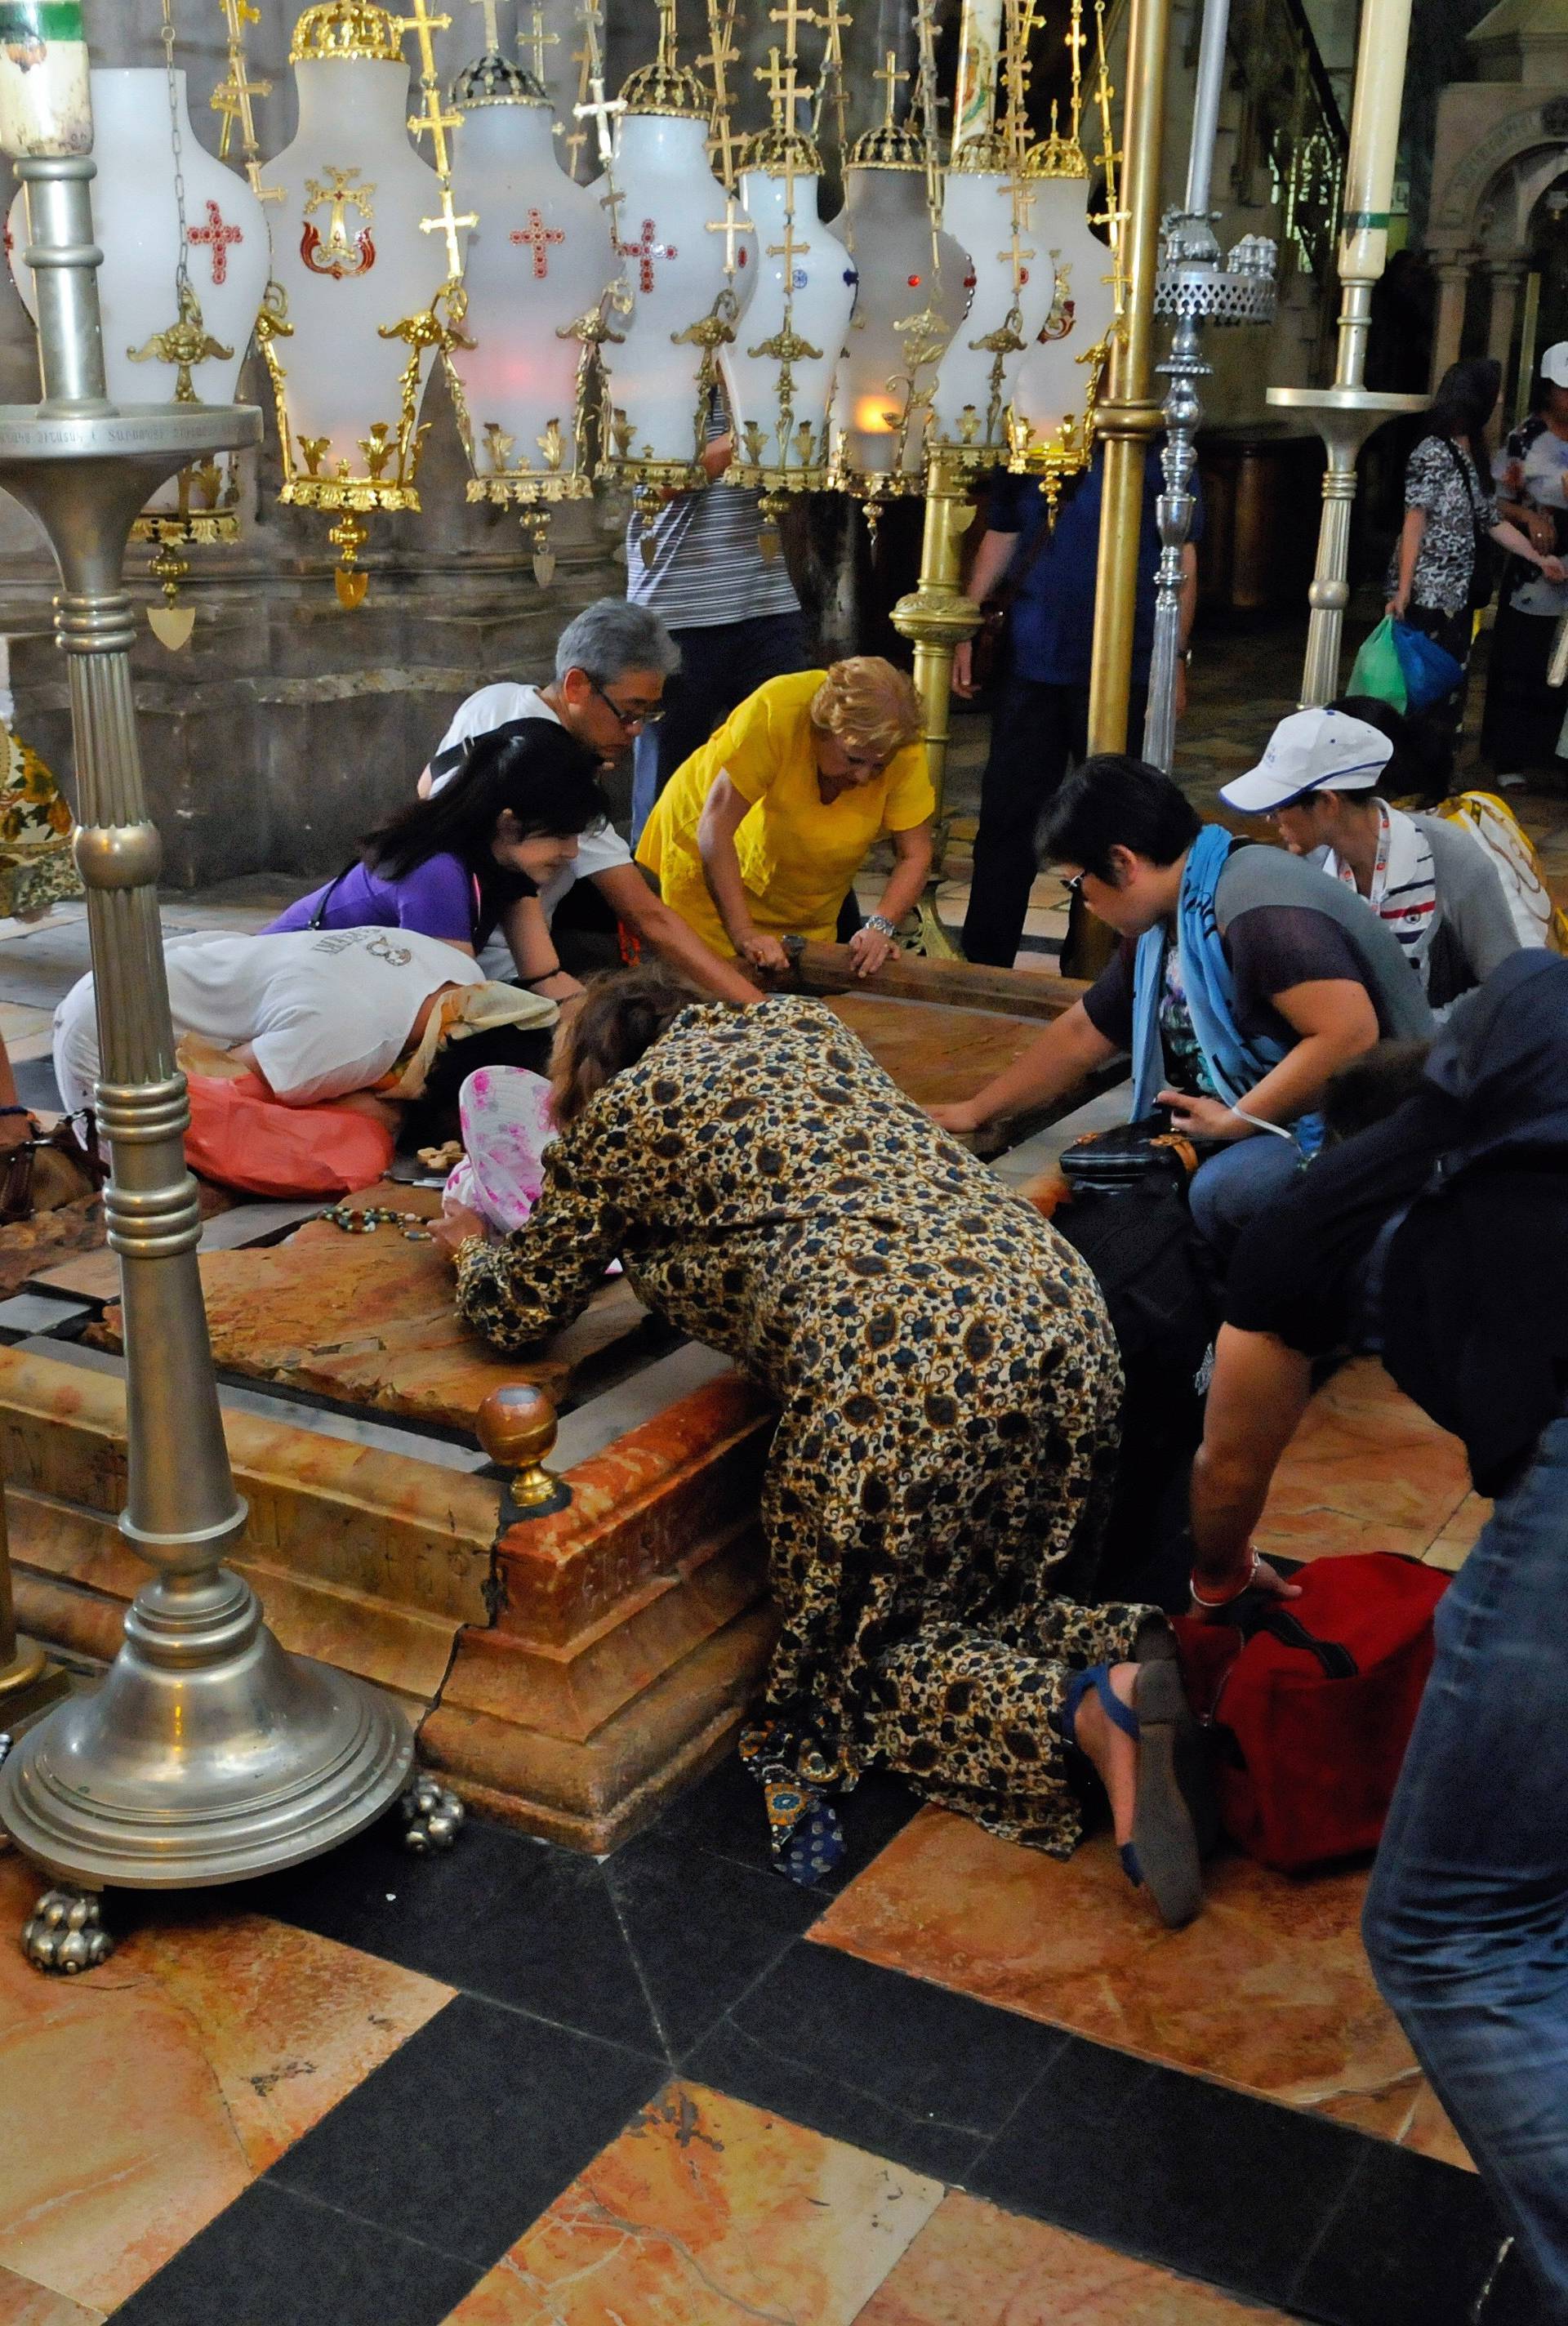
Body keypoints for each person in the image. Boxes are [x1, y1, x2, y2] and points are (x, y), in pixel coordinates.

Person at [434, 965, 1210, 1920]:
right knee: (1000, 1578)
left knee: (849, 1676)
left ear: (593, 1065)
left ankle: (1092, 1709)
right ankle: (1147, 1643)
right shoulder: (802, 1028)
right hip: (1052, 1299)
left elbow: (517, 1308)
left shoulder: (621, 1116)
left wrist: (467, 1240)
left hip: (895, 1356)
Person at [1187, 953, 1568, 2312]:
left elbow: (1230, 1466)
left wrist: (1221, 1584)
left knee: (1455, 1927)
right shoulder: (1539, 1100)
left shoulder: (1315, 1213)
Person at [928, 756, 1434, 1257]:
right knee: (1100, 1179)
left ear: (1123, 862)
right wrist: (977, 1112)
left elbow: (1348, 1036)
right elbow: (1086, 1033)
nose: (1083, 902)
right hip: (1282, 1117)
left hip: (1371, 1129)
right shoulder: (1172, 914)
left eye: (1076, 884)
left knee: (1219, 1190)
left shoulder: (1257, 906)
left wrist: (1237, 1120)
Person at [419, 599, 761, 1007]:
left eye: (647, 716)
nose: (635, 732)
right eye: (628, 712)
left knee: (641, 886)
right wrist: (762, 1011)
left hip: (473, 928)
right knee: (645, 988)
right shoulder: (557, 768)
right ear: (576, 685)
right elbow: (649, 919)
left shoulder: (492, 699)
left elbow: (426, 786)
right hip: (498, 966)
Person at [955, 443, 1200, 969]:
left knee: (1112, 820)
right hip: (1032, 662)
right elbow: (1003, 532)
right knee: (1006, 816)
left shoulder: (1159, 447)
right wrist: (966, 626)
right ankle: (985, 960)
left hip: (1123, 662)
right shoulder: (1030, 435)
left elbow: (1181, 555)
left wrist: (1174, 655)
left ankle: (1091, 964)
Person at [51, 925, 547, 1127]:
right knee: (160, 1176)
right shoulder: (350, 1042)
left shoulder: (461, 977)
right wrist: (378, 1110)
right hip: (113, 1028)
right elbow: (216, 1090)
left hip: (180, 970)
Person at [266, 723, 608, 1005]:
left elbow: (546, 979)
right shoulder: (436, 871)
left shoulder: (504, 866)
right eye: (561, 835)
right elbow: (452, 1008)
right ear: (508, 823)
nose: (572, 852)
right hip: (275, 988)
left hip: (336, 1001)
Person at [635, 661, 933, 980]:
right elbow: (715, 829)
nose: (863, 777)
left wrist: (880, 927)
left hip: (805, 893)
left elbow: (915, 854)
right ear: (823, 729)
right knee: (714, 990)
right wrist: (744, 932)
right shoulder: (776, 710)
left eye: (879, 767)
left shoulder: (898, 741)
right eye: (854, 759)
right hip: (707, 871)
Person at [1219, 704, 1521, 1009]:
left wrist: (1427, 1039)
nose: (1271, 820)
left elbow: (1505, 984)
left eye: (1280, 806)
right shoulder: (1306, 871)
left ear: (1328, 802)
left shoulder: (1451, 856)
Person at [626, 388, 813, 846]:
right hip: (677, 613)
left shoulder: (774, 377)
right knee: (665, 785)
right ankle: (650, 911)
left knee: (792, 769)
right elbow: (656, 485)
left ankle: (790, 908)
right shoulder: (655, 372)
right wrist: (748, 438)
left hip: (767, 606)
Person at [1386, 357, 1564, 724]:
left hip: (1459, 591)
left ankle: (1437, 763)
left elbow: (1489, 519)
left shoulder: (1469, 450)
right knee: (1424, 683)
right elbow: (1415, 519)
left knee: (1449, 682)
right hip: (1429, 590)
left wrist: (1538, 558)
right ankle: (1417, 763)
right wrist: (1403, 589)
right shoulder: (1433, 451)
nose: (1498, 402)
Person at [1481, 342, 1568, 788]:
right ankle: (1511, 754)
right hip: (1536, 562)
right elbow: (1494, 502)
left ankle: (1556, 750)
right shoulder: (1525, 439)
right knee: (1525, 653)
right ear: (1550, 390)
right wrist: (1531, 516)